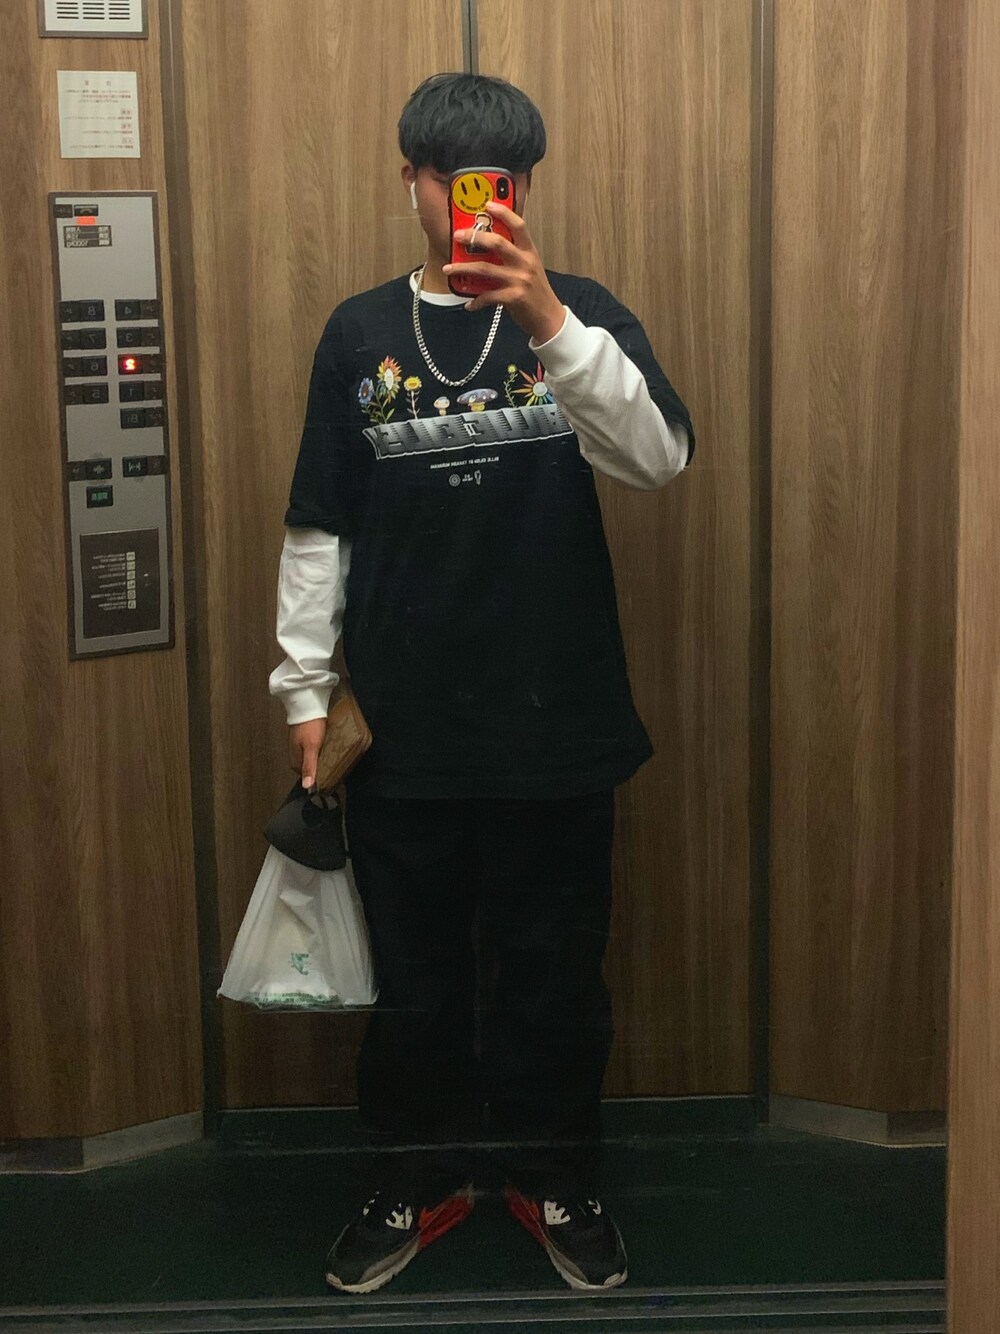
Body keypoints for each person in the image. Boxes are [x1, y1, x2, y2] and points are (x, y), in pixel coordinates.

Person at [269, 72, 695, 1295]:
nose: (471, 205)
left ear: (522, 189)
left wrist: (548, 316)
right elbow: (318, 524)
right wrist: (304, 690)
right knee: (413, 983)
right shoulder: (357, 332)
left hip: (559, 722)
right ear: (408, 179)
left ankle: (556, 1175)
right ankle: (414, 1178)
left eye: (497, 184)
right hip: (403, 729)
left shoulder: (581, 314)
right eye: (448, 181)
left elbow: (658, 458)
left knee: (556, 974)